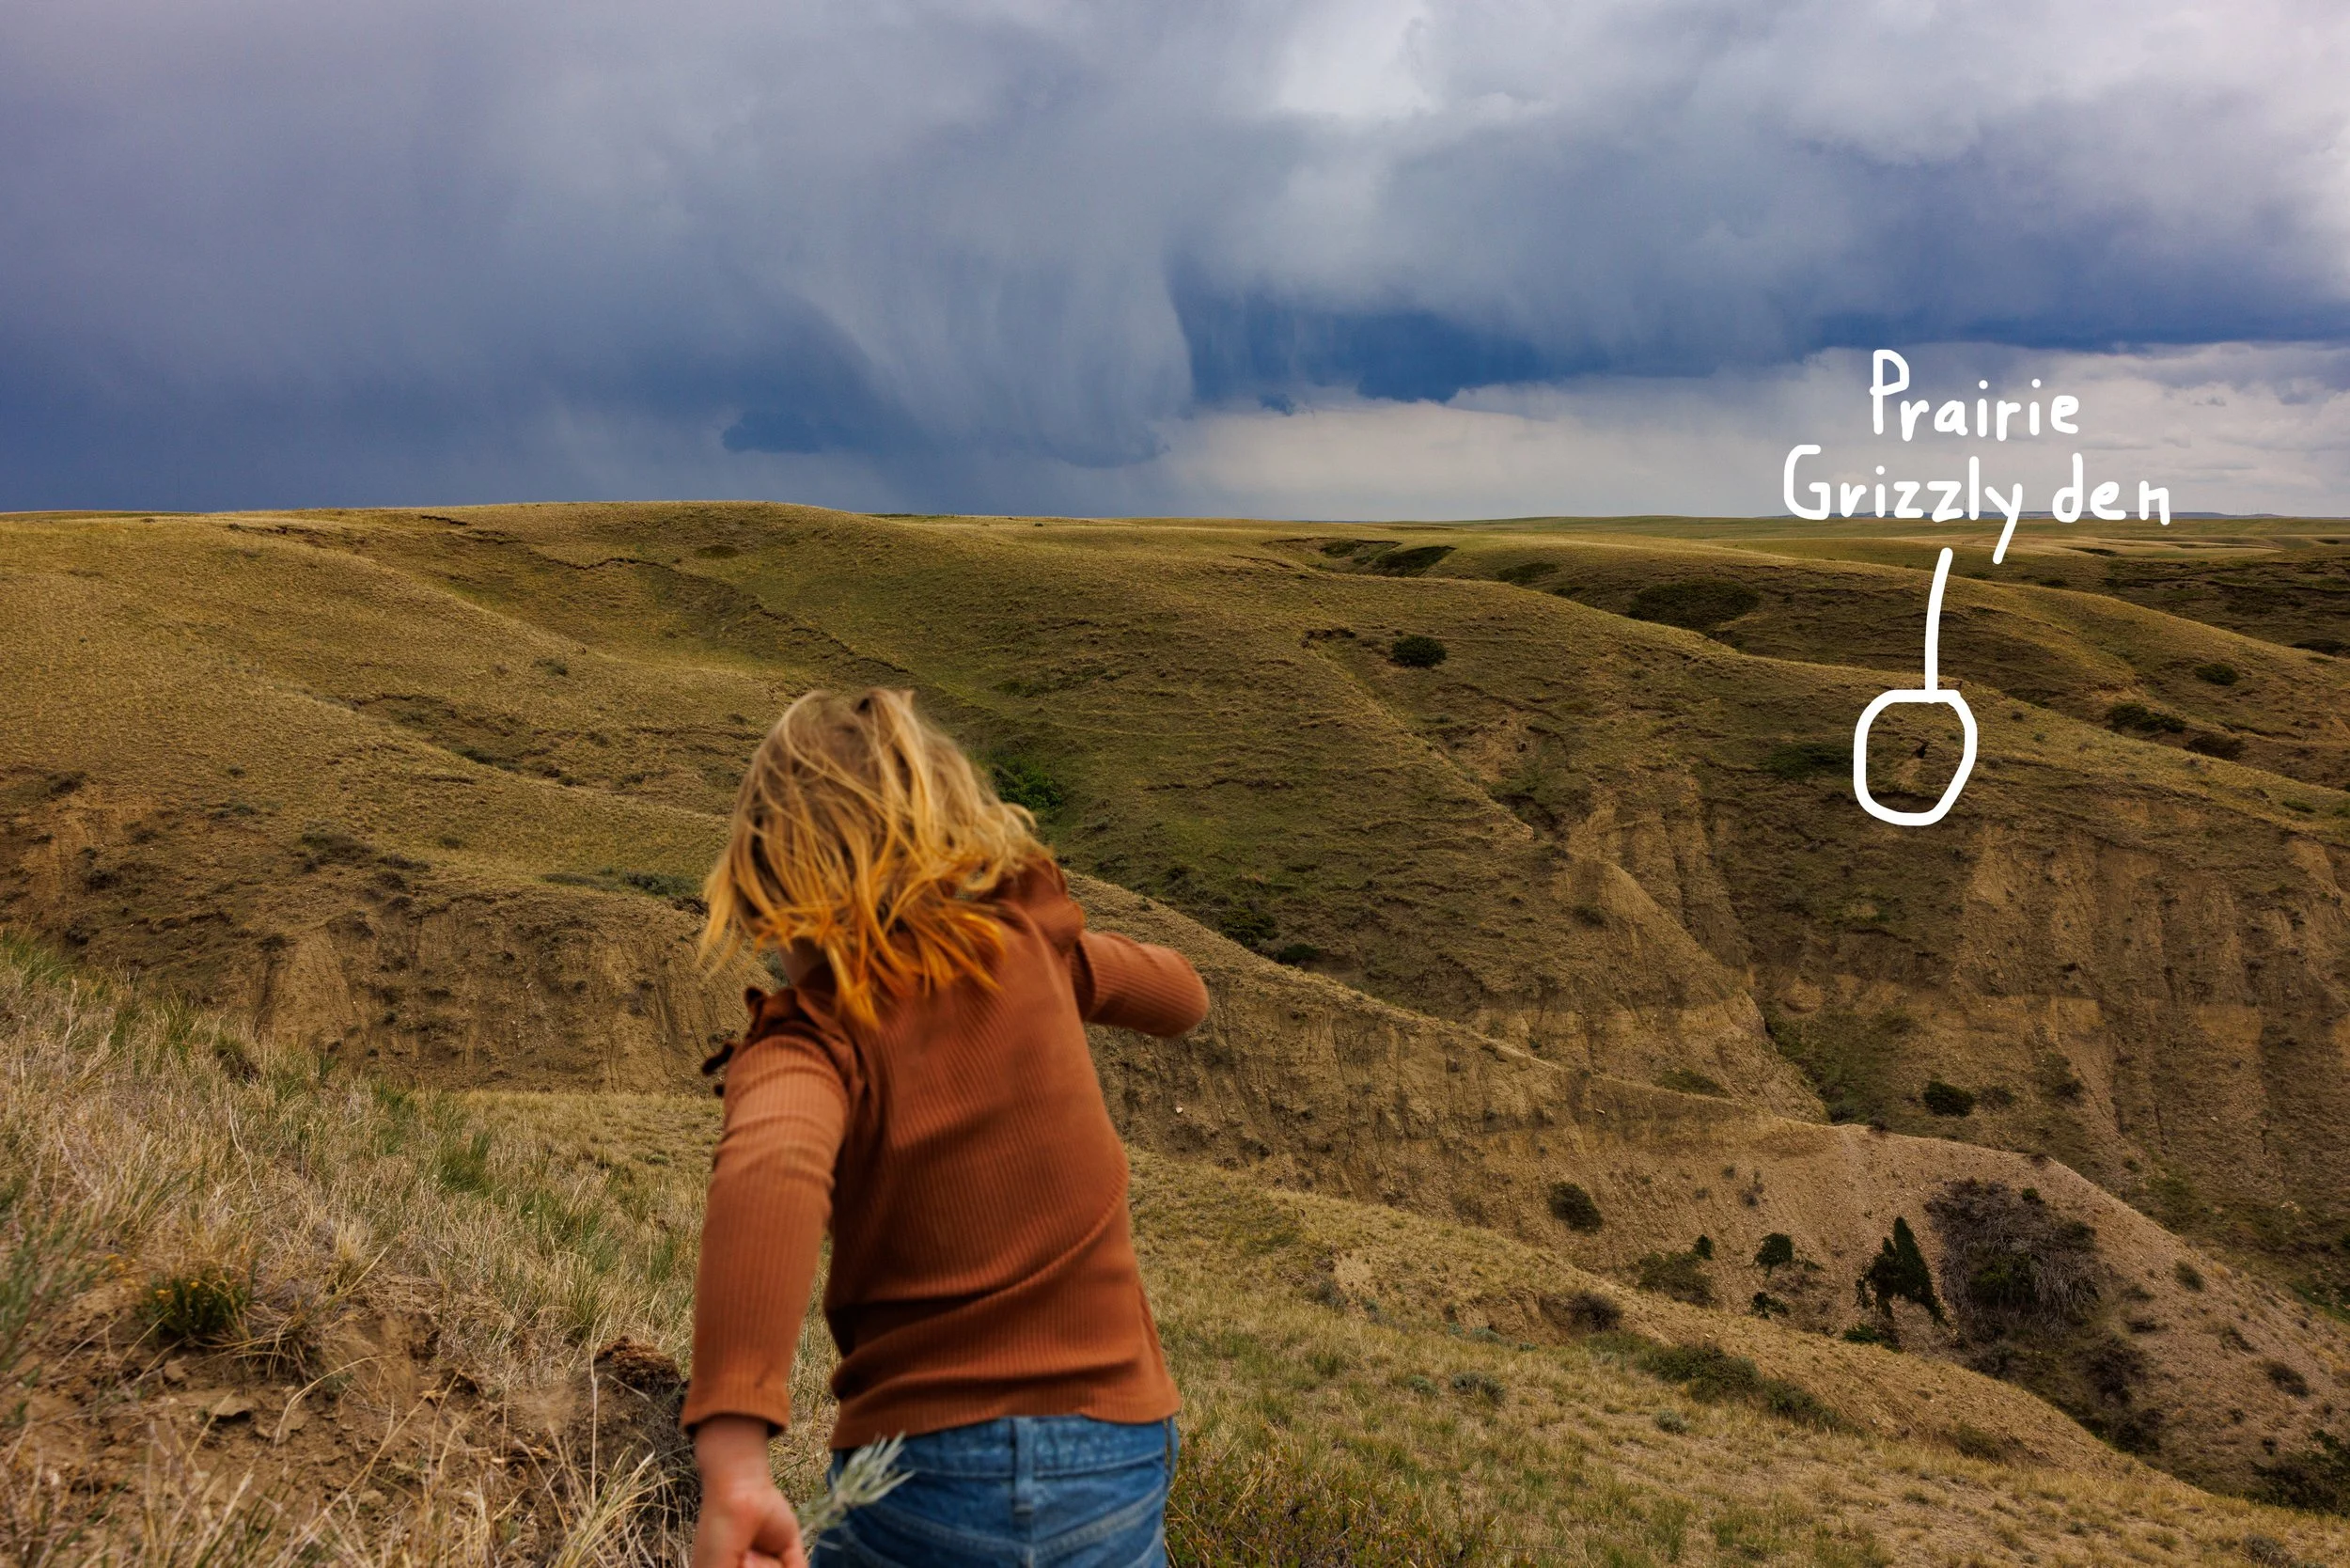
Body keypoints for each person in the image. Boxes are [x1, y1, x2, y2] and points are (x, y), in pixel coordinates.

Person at [683, 688, 1211, 1568]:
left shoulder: (813, 1037)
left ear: (771, 885)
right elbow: (1184, 997)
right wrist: (1079, 975)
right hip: (1118, 1443)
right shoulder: (1028, 946)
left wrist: (736, 1457)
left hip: (933, 1468)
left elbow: (770, 1170)